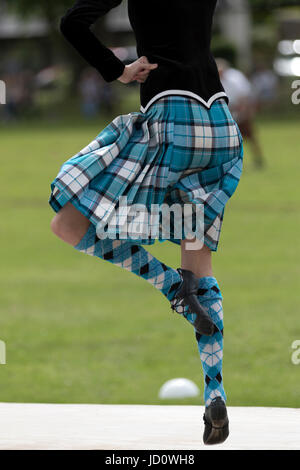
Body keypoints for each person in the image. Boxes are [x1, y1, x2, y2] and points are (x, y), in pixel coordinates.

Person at [49, 0, 243, 445]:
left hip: (171, 119)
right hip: (220, 127)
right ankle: (215, 391)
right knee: (199, 260)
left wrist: (117, 70)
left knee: (67, 223)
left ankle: (169, 285)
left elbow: (73, 22)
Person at [216, 58, 265, 168]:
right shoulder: (214, 81)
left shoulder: (235, 78)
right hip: (226, 113)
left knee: (250, 137)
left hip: (241, 111)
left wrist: (243, 111)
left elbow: (245, 95)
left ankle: (258, 160)